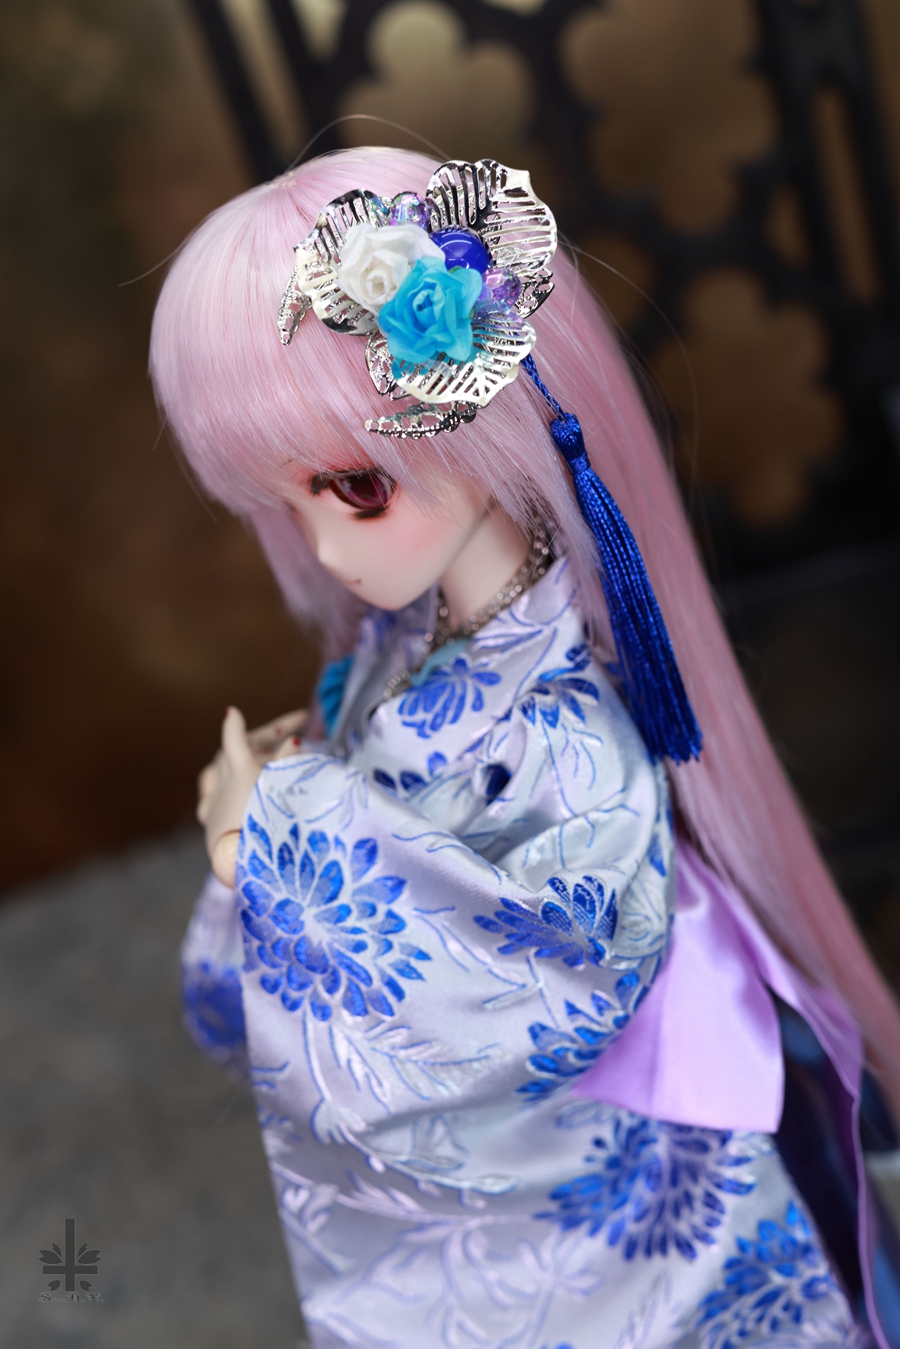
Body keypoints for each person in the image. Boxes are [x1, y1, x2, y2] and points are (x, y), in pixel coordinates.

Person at [151, 147, 900, 1348]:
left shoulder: (561, 723)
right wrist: (305, 805)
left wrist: (273, 838)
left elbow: (548, 987)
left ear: (475, 413)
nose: (323, 549)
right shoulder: (405, 640)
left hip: (606, 1196)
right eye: (285, 503)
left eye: (353, 487)